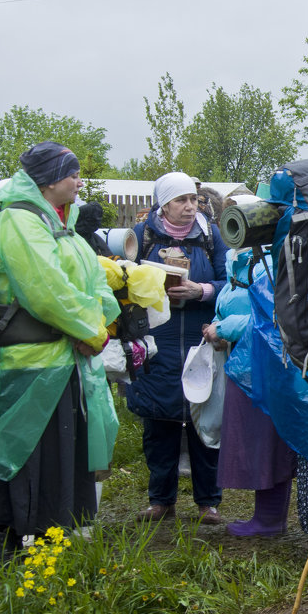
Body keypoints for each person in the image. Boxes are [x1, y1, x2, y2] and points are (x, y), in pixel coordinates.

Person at [0, 142, 119, 559]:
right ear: (51, 179)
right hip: (31, 361)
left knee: (61, 455)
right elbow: (46, 290)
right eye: (73, 173)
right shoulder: (17, 223)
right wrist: (88, 329)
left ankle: (50, 541)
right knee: (26, 454)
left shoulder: (61, 223)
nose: (79, 181)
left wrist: (100, 324)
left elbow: (92, 275)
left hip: (65, 358)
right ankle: (13, 547)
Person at [128, 172, 228, 522]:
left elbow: (228, 280)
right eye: (181, 200)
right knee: (159, 422)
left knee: (204, 421)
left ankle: (208, 502)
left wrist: (200, 291)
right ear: (164, 204)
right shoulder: (142, 236)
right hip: (159, 341)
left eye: (193, 200)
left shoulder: (211, 236)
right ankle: (161, 500)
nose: (190, 207)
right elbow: (123, 277)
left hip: (200, 342)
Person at [204, 249, 298, 537]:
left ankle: (269, 519)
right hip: (245, 362)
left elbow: (272, 317)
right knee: (256, 439)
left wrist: (223, 328)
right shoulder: (239, 259)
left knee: (266, 441)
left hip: (264, 365)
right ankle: (265, 516)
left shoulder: (269, 262)